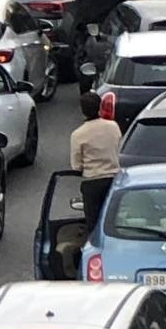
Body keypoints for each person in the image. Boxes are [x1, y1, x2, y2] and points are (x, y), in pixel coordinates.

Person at [70, 91, 121, 235]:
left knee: (93, 223)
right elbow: (118, 147)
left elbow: (76, 166)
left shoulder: (78, 134)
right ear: (100, 107)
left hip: (92, 182)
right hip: (114, 179)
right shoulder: (113, 126)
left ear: (82, 110)